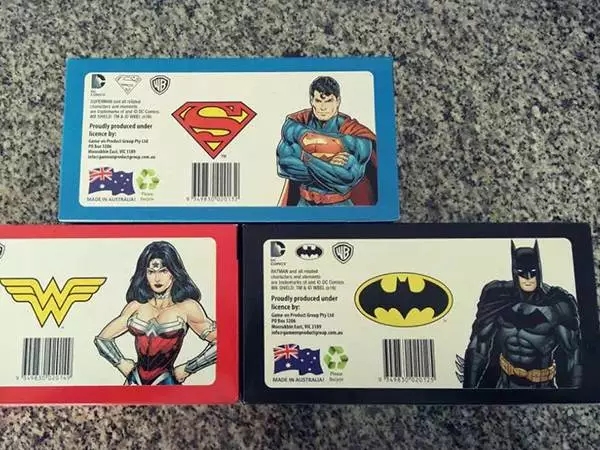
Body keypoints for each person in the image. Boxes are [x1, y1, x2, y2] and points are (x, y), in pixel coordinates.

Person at [457, 240, 582, 389]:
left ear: (539, 271)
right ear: (514, 272)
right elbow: (479, 344)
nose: (528, 278)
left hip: (541, 388)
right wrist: (468, 391)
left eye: (533, 273)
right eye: (522, 273)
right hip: (504, 385)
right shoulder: (497, 296)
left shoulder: (557, 303)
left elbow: (574, 354)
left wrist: (573, 395)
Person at [94, 241, 216, 385]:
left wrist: (189, 368)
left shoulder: (187, 307)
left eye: (163, 271)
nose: (157, 278)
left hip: (167, 382)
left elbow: (223, 342)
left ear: (174, 273)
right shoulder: (136, 306)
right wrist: (121, 363)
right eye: (151, 272)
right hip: (134, 381)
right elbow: (102, 339)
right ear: (144, 275)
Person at [276, 76, 378, 207]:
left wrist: (305, 157)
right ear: (311, 100)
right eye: (318, 101)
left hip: (339, 206)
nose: (323, 107)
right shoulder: (297, 123)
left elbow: (347, 177)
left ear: (338, 101)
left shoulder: (356, 133)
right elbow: (284, 165)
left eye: (329, 101)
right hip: (303, 205)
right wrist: (329, 162)